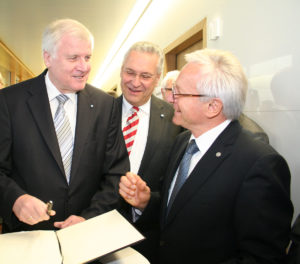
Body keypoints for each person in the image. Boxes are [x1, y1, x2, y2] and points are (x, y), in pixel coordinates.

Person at [119, 48, 293, 263]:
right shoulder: (183, 142)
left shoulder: (259, 163)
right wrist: (146, 202)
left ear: (212, 106)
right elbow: (176, 209)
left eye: (179, 93)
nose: (170, 99)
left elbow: (262, 257)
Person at [0, 18, 129, 233]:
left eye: (87, 57)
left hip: (86, 234)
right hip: (28, 236)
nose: (84, 66)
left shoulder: (105, 106)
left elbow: (116, 173)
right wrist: (15, 199)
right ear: (47, 58)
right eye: (73, 58)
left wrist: (90, 217)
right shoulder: (9, 102)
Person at [117, 41, 182, 263]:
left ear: (157, 78)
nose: (135, 83)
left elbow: (178, 185)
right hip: (98, 231)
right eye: (130, 72)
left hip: (150, 237)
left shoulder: (177, 119)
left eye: (145, 76)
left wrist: (146, 203)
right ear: (121, 71)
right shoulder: (99, 112)